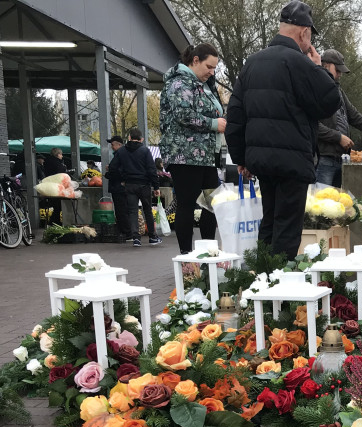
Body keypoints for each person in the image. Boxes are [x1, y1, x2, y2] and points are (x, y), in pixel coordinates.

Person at [226, 2, 341, 260]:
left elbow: (234, 115)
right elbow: (330, 101)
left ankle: (261, 281)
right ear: (304, 33)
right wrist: (320, 68)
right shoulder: (299, 63)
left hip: (261, 161)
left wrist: (241, 158)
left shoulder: (251, 63)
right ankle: (279, 287)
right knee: (288, 228)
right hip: (292, 160)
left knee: (269, 221)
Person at [159, 42, 227, 255]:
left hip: (206, 155)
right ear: (195, 60)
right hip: (184, 155)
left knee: (210, 204)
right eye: (209, 66)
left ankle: (209, 253)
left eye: (214, 68)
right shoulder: (179, 83)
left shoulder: (203, 84)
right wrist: (214, 124)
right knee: (187, 204)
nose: (211, 72)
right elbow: (183, 115)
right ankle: (187, 257)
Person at [316, 49, 362, 187]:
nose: (340, 74)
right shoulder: (316, 88)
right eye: (338, 70)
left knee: (334, 207)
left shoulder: (338, 91)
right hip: (323, 159)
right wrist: (338, 137)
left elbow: (354, 116)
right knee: (320, 206)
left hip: (339, 159)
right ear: (327, 65)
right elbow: (312, 125)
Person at [107, 128, 162, 247]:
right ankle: (152, 237)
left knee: (132, 211)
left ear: (130, 138)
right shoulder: (145, 151)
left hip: (129, 185)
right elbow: (152, 170)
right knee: (147, 210)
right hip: (144, 185)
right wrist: (156, 186)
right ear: (141, 139)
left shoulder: (122, 151)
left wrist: (123, 178)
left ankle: (136, 238)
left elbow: (112, 168)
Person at [105, 135, 131, 241]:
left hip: (118, 187)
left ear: (119, 145)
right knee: (123, 210)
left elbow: (117, 171)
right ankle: (126, 231)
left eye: (113, 144)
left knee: (121, 210)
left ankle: (126, 232)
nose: (111, 147)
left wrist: (108, 173)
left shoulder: (119, 156)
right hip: (120, 186)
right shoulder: (124, 155)